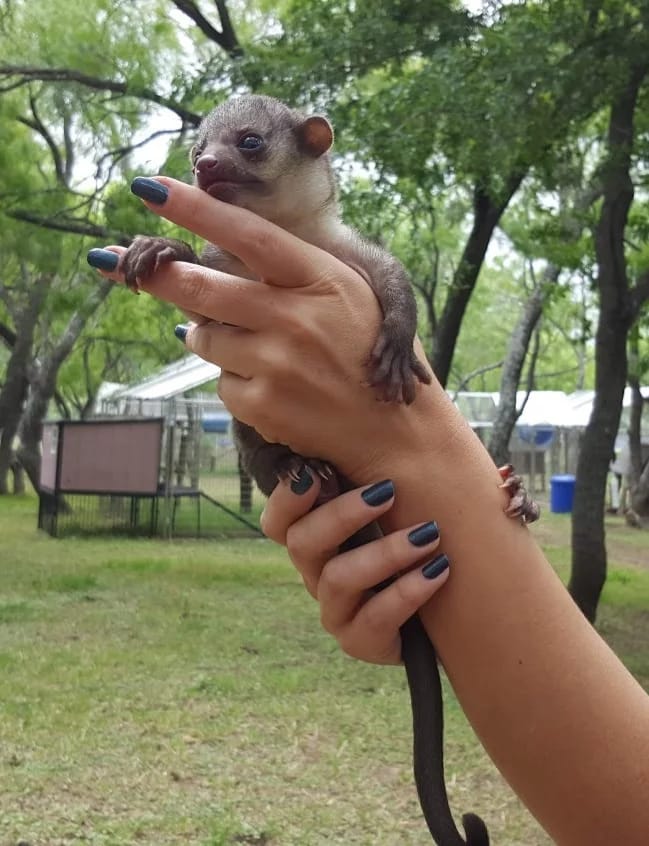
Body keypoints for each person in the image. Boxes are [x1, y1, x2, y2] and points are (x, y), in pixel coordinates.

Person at [88, 176, 649, 844]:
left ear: (311, 151)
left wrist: (419, 448)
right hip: (305, 473)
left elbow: (388, 283)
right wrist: (163, 252)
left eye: (247, 147)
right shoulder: (231, 260)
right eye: (203, 148)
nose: (213, 161)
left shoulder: (344, 247)